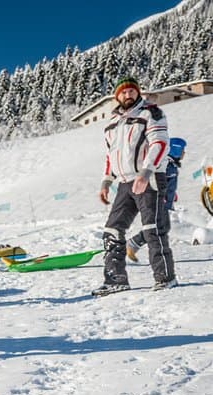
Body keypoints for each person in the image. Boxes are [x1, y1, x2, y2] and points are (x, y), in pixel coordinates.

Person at [95, 76, 176, 295]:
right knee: (112, 230)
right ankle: (116, 280)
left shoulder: (150, 113)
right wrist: (106, 181)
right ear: (117, 96)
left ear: (138, 93)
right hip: (124, 183)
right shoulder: (112, 123)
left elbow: (160, 143)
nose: (128, 94)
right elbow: (111, 156)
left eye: (132, 91)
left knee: (152, 228)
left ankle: (165, 277)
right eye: (123, 92)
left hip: (149, 178)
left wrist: (146, 172)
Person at [127, 137, 185, 262]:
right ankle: (134, 244)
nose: (184, 153)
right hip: (159, 201)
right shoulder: (167, 165)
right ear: (175, 150)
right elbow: (157, 182)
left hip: (164, 202)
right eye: (182, 150)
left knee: (162, 227)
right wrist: (161, 196)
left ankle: (134, 244)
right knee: (159, 227)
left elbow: (168, 184)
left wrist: (172, 195)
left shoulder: (171, 165)